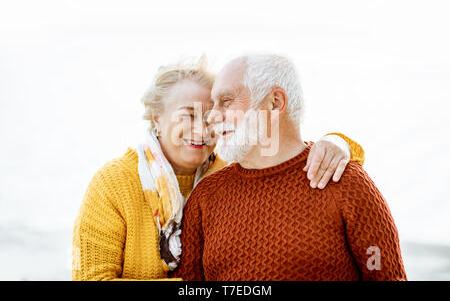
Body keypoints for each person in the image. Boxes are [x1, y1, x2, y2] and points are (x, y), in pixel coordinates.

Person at [72, 56, 365, 280]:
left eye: (211, 115)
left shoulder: (232, 172)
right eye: (188, 115)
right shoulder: (114, 184)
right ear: (157, 119)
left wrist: (339, 143)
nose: (202, 129)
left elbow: (291, 160)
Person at [170, 54, 407, 281]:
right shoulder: (205, 196)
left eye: (226, 101)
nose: (211, 117)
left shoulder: (346, 183)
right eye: (213, 104)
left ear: (275, 103)